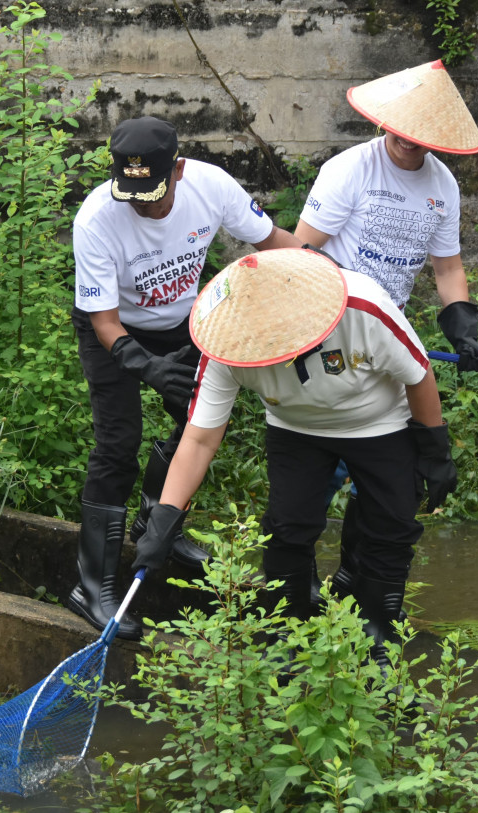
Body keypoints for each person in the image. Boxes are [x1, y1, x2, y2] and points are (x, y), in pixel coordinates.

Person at [133, 248, 457, 664]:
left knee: (391, 527)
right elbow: (199, 440)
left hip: (380, 423)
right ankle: (290, 634)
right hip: (295, 430)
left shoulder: (363, 306)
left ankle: (378, 634)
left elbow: (419, 373)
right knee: (287, 529)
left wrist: (434, 448)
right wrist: (164, 517)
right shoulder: (225, 342)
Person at [71, 116, 301, 639]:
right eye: (132, 195)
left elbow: (274, 240)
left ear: (177, 169)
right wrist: (144, 365)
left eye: (153, 194)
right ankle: (92, 585)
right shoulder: (96, 220)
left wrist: (331, 282)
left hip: (183, 320)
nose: (143, 207)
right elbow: (104, 322)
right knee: (117, 442)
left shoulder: (211, 187)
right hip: (115, 330)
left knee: (197, 422)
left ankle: (159, 523)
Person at [292, 60, 478, 598]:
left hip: (390, 337)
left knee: (390, 469)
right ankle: (294, 587)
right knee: (318, 461)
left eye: (420, 136)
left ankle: (358, 583)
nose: (408, 142)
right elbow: (302, 252)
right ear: (384, 122)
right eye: (399, 130)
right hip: (330, 327)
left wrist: (463, 328)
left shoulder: (441, 186)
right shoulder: (349, 170)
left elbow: (447, 269)